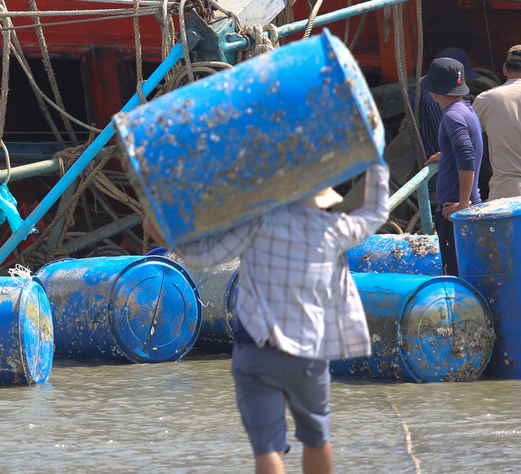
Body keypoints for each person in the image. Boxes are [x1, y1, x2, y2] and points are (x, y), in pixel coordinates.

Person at [152, 163, 388, 474]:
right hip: (308, 353)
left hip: (258, 348)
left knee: (268, 448)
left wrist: (158, 228)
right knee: (317, 437)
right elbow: (375, 213)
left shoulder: (256, 225)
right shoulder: (333, 230)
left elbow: (201, 256)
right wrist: (376, 165)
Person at [422, 56, 483, 276]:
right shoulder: (466, 110)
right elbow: (466, 149)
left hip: (454, 210)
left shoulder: (452, 117)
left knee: (456, 275)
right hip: (466, 204)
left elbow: (466, 156)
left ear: (435, 88)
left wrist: (463, 203)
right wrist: (447, 154)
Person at [473, 45, 521, 200]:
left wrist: (445, 153)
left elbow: (463, 139)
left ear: (505, 69)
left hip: (506, 194)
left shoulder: (486, 100)